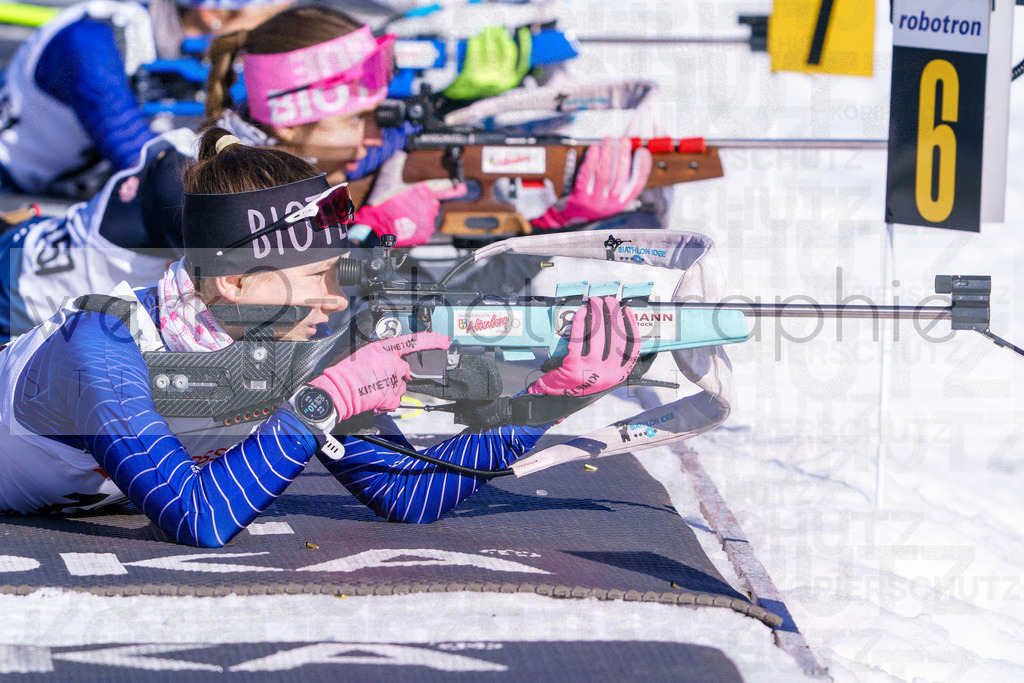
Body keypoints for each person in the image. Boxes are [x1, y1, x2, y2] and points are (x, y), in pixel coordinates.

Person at [0, 128, 640, 547]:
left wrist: (548, 400)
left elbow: (409, 493)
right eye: (315, 276)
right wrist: (322, 403)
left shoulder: (290, 343)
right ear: (237, 285)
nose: (335, 300)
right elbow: (198, 518)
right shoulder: (99, 345)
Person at [0, 5, 650, 341]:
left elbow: (394, 150)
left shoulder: (275, 149)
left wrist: (548, 209)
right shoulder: (197, 171)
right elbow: (275, 307)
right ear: (296, 119)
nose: (375, 135)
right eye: (361, 118)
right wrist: (379, 234)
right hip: (17, 313)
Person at [0, 0, 290, 197]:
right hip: (10, 181)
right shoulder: (92, 45)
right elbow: (152, 169)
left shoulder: (184, 48)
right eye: (270, 24)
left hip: (69, 186)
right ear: (210, 13)